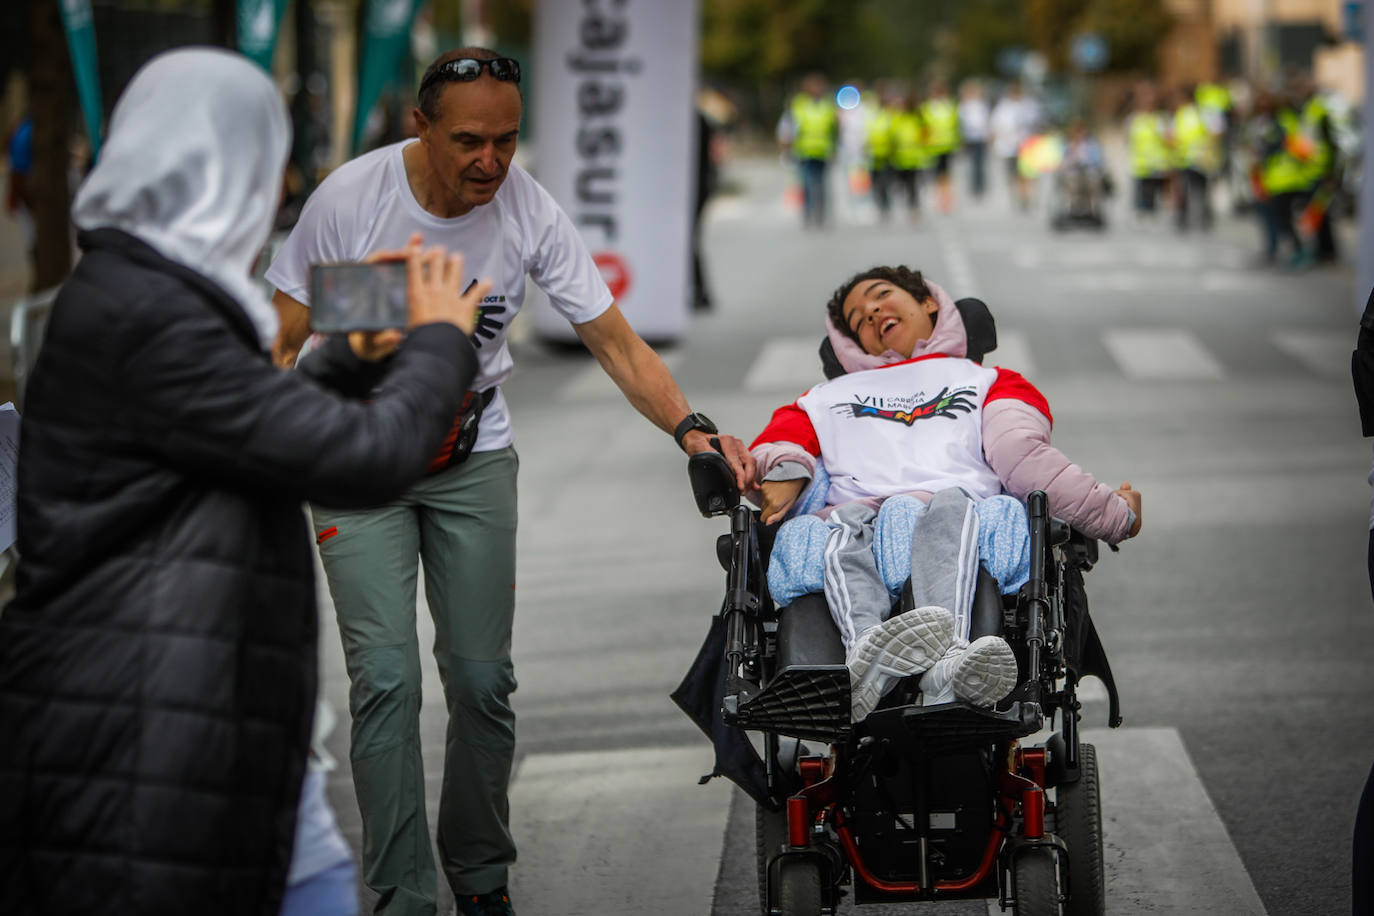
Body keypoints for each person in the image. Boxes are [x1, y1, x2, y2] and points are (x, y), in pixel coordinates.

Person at [265, 47, 755, 916]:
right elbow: (281, 341)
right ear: (420, 127)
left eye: (507, 140)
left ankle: (480, 875)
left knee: (483, 681)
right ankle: (402, 894)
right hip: (358, 462)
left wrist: (690, 429)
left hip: (470, 457)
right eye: (468, 142)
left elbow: (615, 342)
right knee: (385, 681)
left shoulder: (528, 210)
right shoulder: (350, 197)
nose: (490, 161)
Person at [0, 47, 489, 916]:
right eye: (269, 165)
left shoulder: (149, 292)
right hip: (146, 733)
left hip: (193, 713)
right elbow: (363, 459)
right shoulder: (147, 316)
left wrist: (346, 360)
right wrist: (443, 337)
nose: (282, 188)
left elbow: (255, 429)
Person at [748, 266, 1142, 721]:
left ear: (929, 302)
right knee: (837, 529)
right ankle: (868, 657)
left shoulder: (990, 381)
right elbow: (781, 449)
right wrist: (781, 477)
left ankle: (947, 661)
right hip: (855, 509)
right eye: (857, 320)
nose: (872, 312)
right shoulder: (822, 398)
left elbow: (1024, 458)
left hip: (954, 503)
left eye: (881, 296)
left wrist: (1114, 514)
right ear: (851, 344)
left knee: (948, 508)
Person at [779, 72, 838, 229]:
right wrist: (787, 148)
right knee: (807, 184)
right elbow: (789, 127)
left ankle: (820, 214)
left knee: (821, 185)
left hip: (823, 151)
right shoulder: (799, 104)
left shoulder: (827, 106)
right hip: (804, 152)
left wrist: (835, 148)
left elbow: (834, 129)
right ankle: (808, 214)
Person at [920, 79, 961, 213]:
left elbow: (955, 125)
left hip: (945, 146)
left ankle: (945, 198)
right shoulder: (928, 107)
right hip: (933, 146)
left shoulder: (948, 106)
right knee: (936, 174)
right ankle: (939, 197)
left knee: (944, 174)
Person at [958, 79, 991, 200]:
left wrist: (987, 135)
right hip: (969, 138)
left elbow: (985, 121)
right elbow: (962, 123)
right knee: (972, 163)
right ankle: (973, 186)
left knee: (980, 163)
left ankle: (980, 186)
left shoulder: (981, 105)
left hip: (980, 137)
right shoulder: (964, 106)